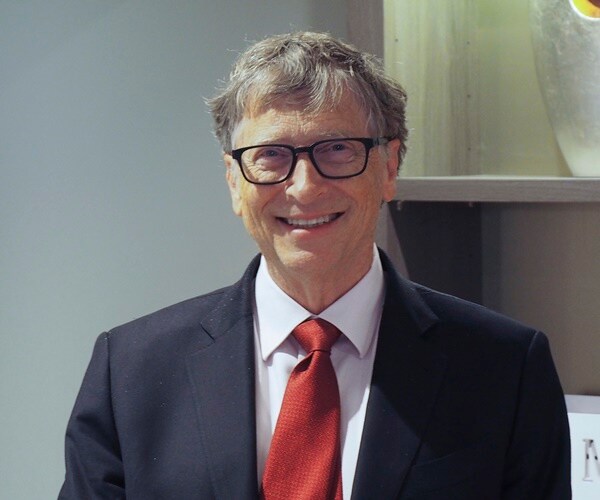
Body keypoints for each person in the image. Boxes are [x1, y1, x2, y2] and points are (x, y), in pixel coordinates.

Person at [59, 31, 571, 499]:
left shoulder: (505, 369)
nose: (304, 187)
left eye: (338, 149)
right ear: (235, 183)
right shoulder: (130, 370)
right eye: (271, 156)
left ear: (389, 167)